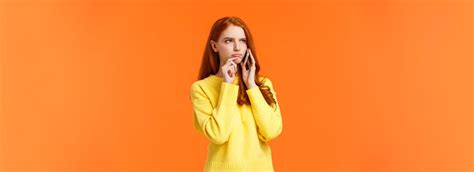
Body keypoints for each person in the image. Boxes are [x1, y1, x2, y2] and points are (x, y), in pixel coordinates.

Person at [189, 16, 283, 172]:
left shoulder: (262, 84)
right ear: (214, 46)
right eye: (228, 41)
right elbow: (218, 135)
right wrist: (228, 85)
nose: (237, 47)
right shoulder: (201, 88)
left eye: (242, 41)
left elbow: (272, 131)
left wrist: (251, 85)